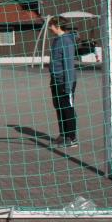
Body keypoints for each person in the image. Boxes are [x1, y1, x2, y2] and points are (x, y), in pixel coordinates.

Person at [49, 16, 78, 148]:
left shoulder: (66, 41)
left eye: (51, 25)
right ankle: (63, 134)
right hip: (55, 80)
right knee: (59, 107)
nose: (50, 28)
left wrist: (68, 86)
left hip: (66, 82)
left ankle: (72, 138)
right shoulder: (56, 40)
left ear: (57, 26)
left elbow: (68, 65)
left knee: (67, 109)